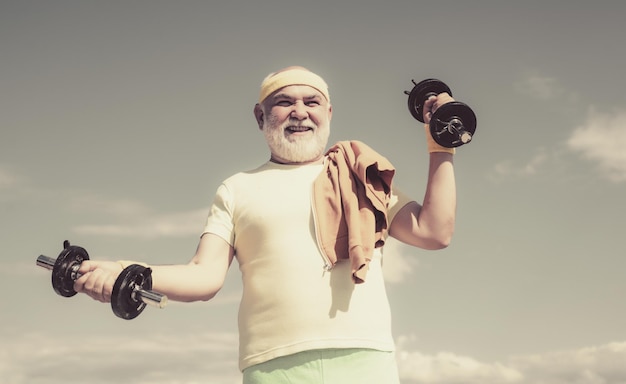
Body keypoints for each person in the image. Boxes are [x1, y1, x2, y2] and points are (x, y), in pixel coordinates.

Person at [74, 65, 457, 383]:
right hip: (273, 368)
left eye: (312, 102)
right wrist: (126, 270)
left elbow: (433, 231)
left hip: (365, 359)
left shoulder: (361, 176)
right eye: (284, 102)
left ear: (329, 113)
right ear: (261, 116)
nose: (300, 111)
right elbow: (203, 277)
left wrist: (441, 143)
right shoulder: (237, 189)